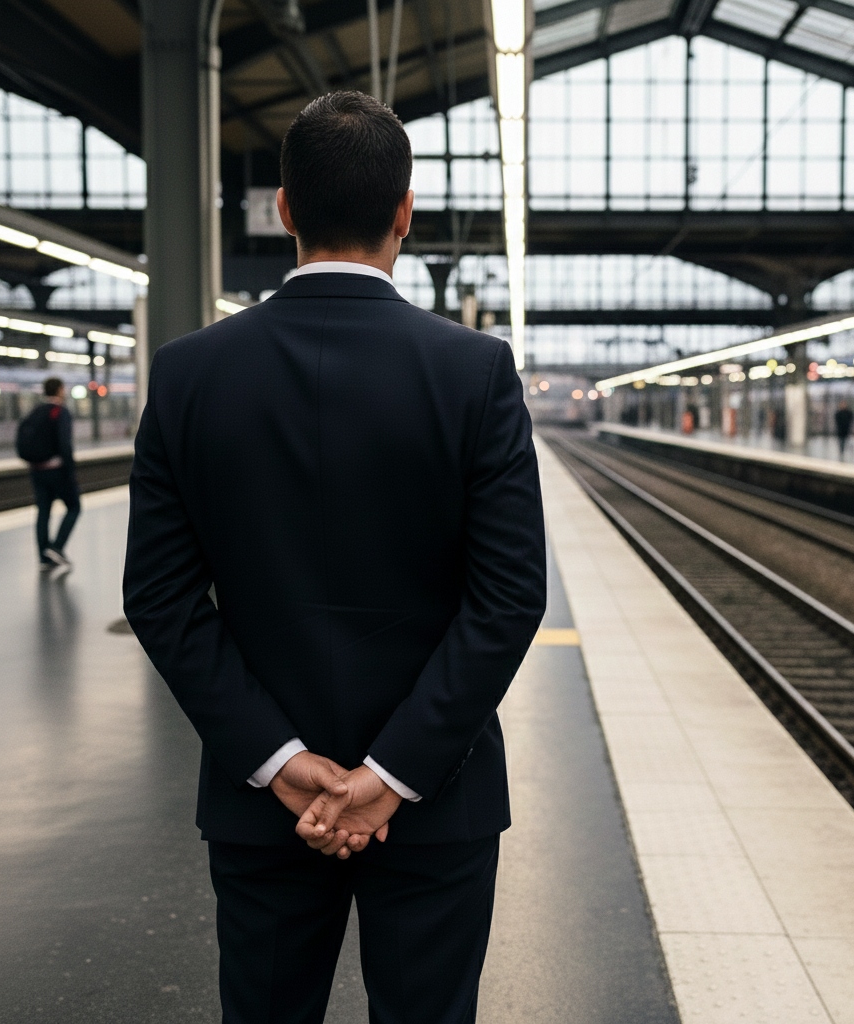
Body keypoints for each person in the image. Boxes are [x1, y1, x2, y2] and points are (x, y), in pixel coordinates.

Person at [123, 91, 547, 1024]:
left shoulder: (191, 374)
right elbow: (509, 598)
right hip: (438, 800)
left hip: (264, 807)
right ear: (405, 212)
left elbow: (158, 598)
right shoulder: (476, 372)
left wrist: (278, 763)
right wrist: (390, 774)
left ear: (283, 208)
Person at [17, 376, 80, 573]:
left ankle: (43, 556)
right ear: (60, 390)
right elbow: (64, 444)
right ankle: (57, 547)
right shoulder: (60, 412)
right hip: (57, 471)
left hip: (37, 471)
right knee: (74, 506)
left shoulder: (35, 411)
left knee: (43, 512)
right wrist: (70, 470)